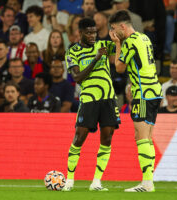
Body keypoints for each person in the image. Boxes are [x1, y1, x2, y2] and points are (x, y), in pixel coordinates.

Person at [63, 18, 120, 191]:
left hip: (108, 98)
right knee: (79, 138)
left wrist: (117, 41)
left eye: (94, 32)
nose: (92, 35)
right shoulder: (72, 52)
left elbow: (121, 49)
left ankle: (96, 181)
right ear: (79, 32)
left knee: (107, 138)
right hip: (88, 98)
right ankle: (70, 179)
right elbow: (77, 77)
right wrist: (96, 59)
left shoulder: (103, 45)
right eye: (88, 32)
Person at [109, 10, 163, 192]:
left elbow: (119, 67)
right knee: (146, 137)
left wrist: (117, 44)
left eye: (115, 29)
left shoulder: (129, 42)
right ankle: (148, 181)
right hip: (155, 90)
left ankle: (147, 183)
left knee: (141, 137)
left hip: (143, 93)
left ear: (123, 27)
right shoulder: (144, 38)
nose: (114, 33)